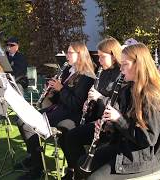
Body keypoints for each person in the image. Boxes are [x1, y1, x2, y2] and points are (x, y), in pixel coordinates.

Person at [71, 43, 160, 180]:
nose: (121, 68)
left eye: (125, 64)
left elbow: (148, 138)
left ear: (139, 65)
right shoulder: (129, 89)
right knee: (81, 164)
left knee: (95, 178)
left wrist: (118, 119)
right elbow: (127, 122)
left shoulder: (151, 96)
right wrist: (109, 126)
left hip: (146, 155)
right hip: (127, 145)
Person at [16, 41, 95, 180]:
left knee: (28, 125)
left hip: (71, 114)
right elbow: (61, 98)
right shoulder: (68, 70)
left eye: (70, 53)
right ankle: (35, 159)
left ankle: (37, 168)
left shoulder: (87, 76)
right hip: (59, 109)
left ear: (80, 55)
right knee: (22, 121)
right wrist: (52, 91)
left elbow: (75, 104)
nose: (67, 56)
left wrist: (61, 89)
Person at [62, 37, 123, 180]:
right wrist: (89, 104)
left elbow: (119, 104)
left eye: (102, 57)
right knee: (71, 136)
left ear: (114, 56)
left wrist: (100, 97)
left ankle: (82, 173)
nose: (99, 61)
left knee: (74, 135)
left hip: (113, 126)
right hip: (98, 120)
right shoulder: (103, 72)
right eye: (98, 57)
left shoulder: (122, 74)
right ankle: (76, 172)